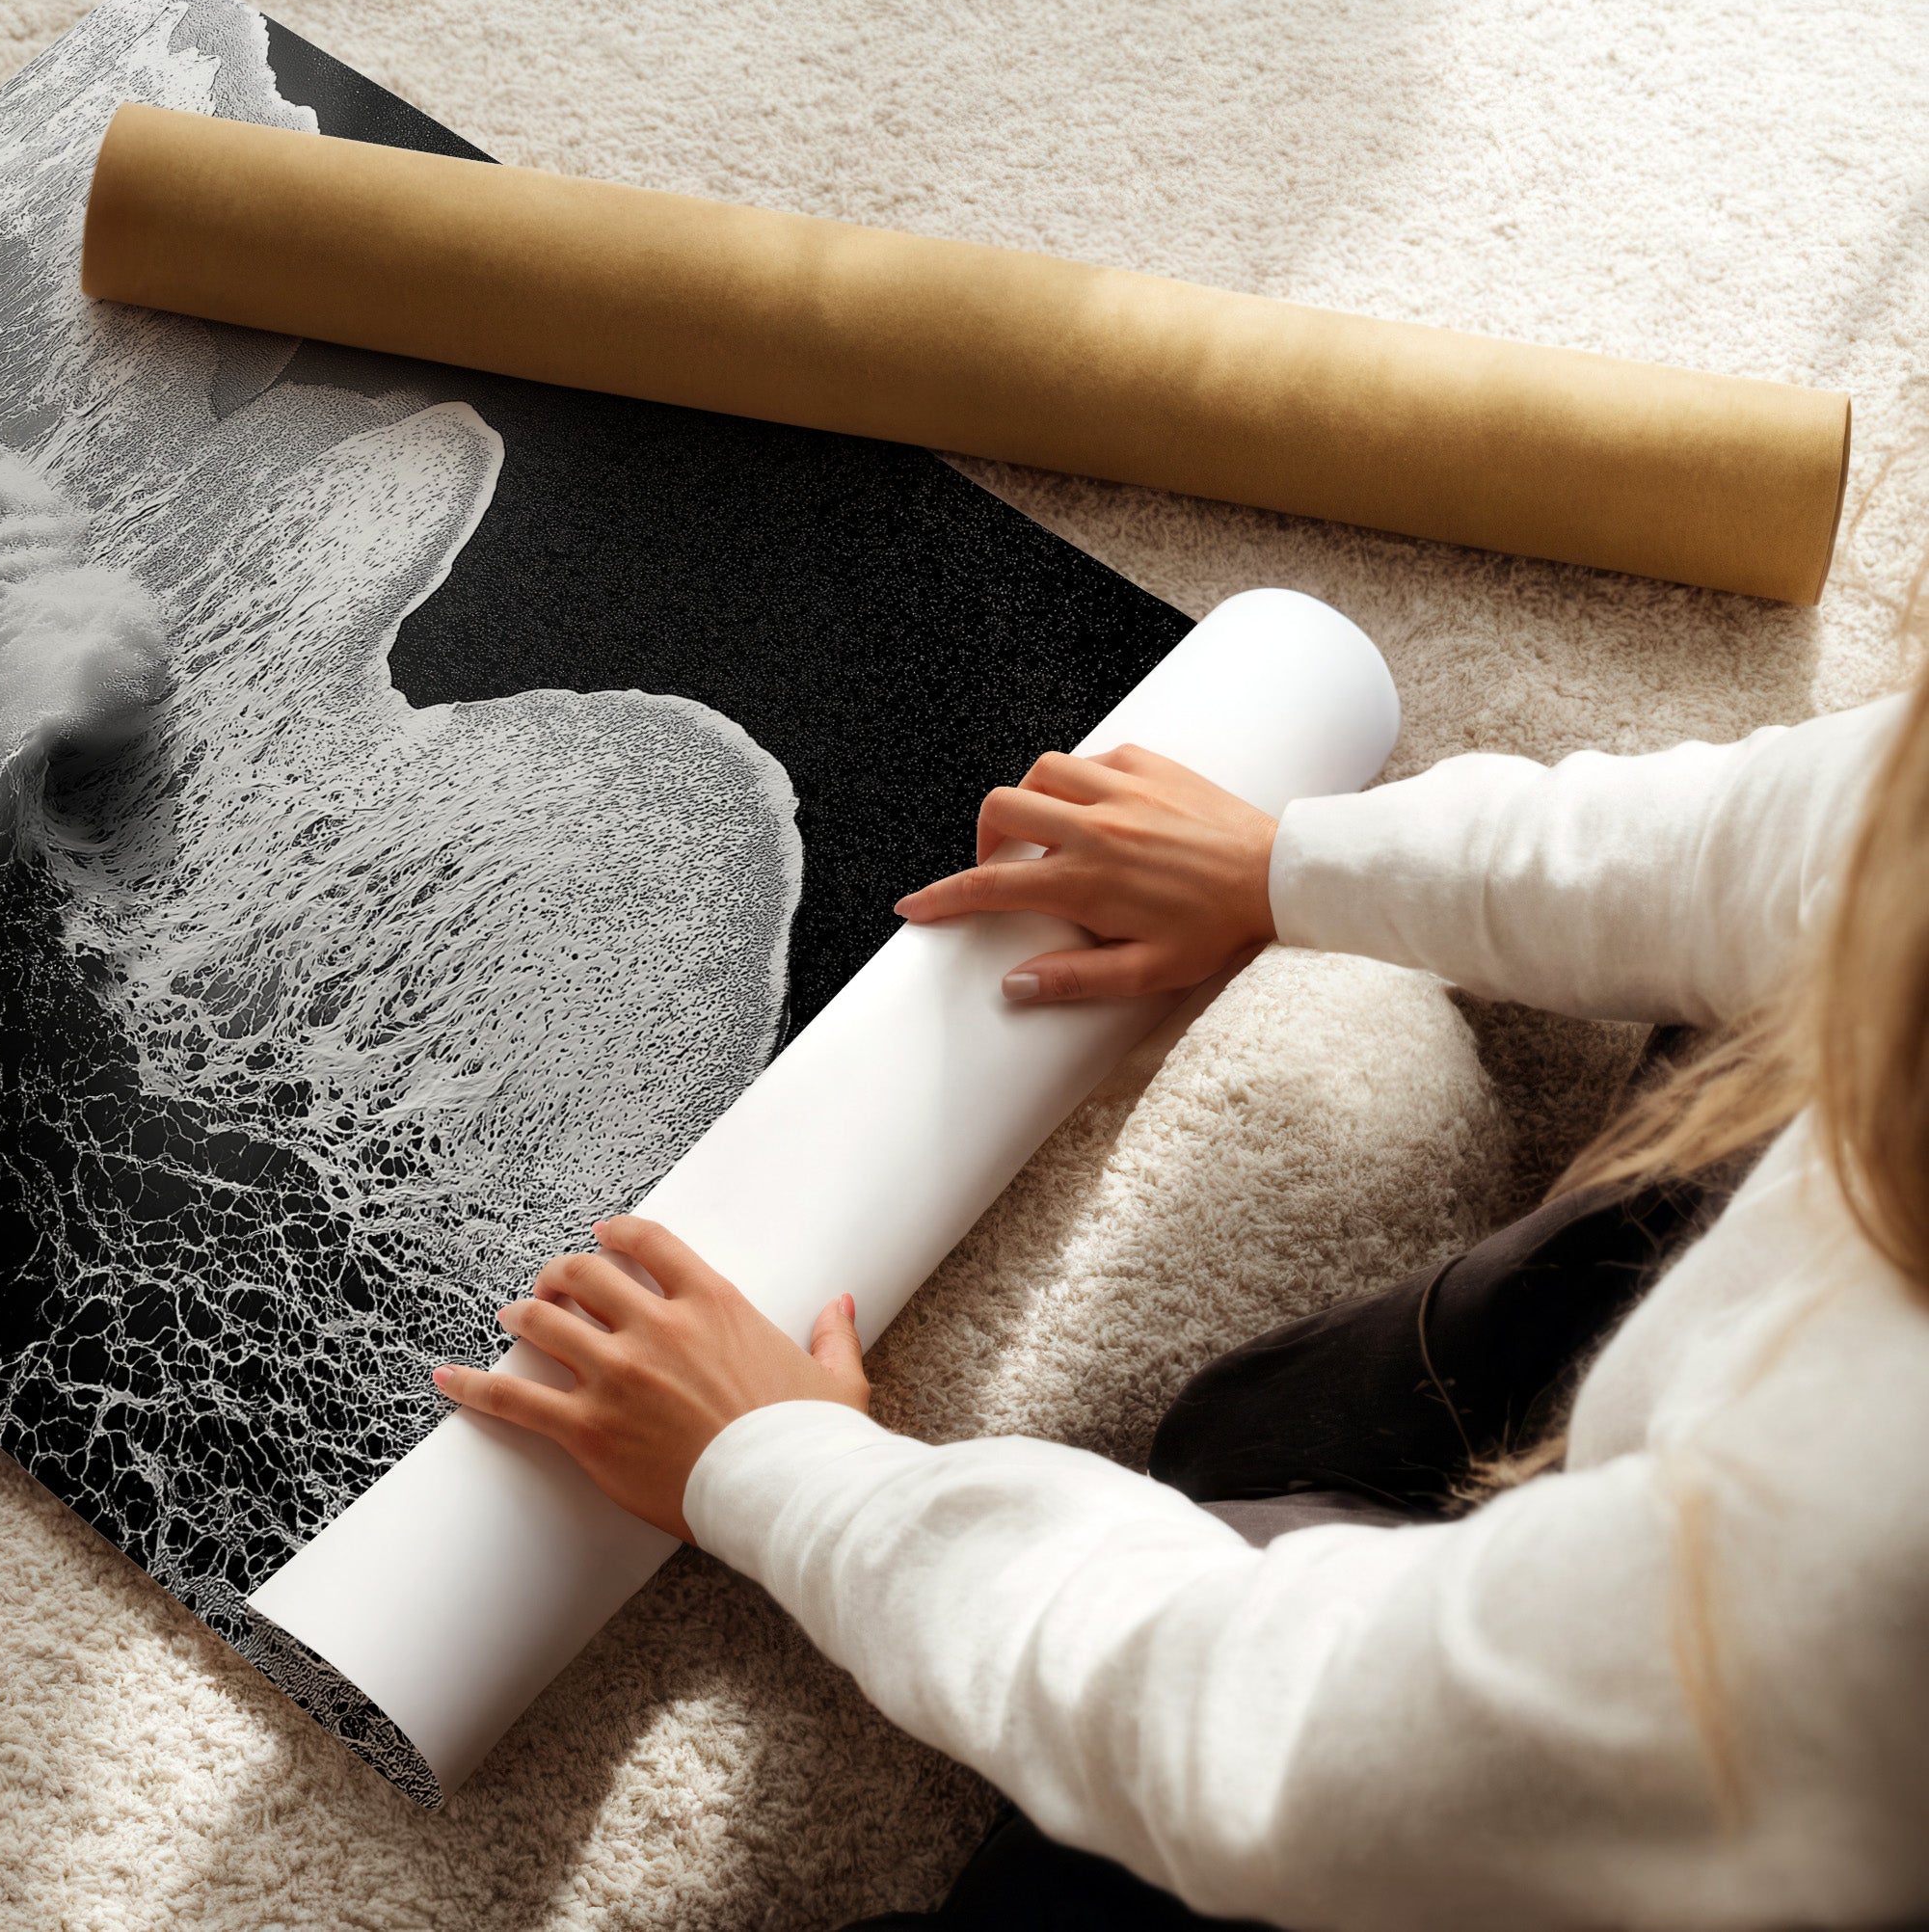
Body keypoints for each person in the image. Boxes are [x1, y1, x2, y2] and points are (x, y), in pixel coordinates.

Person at [434, 672, 1929, 1929]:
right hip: (1740, 1467)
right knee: (1256, 1432)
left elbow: (1281, 1742)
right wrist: (1287, 863)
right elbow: (1809, 833)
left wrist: (782, 1468)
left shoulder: (1858, 1560)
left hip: (1726, 1796)